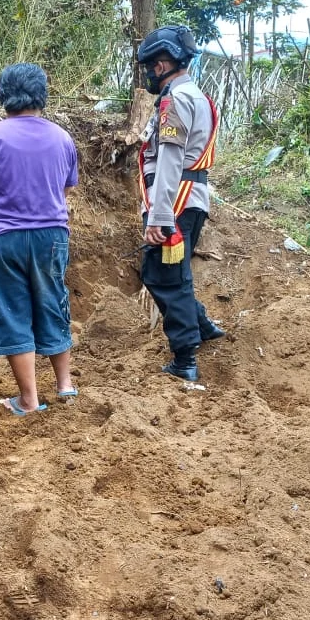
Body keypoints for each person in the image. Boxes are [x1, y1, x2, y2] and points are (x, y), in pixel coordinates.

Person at [0, 63, 79, 415]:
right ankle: (65, 385)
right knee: (52, 302)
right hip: (51, 235)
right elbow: (68, 186)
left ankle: (28, 400)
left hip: (4, 237)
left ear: (4, 95)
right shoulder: (62, 137)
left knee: (13, 311)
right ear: (41, 94)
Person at [136, 25, 225, 382]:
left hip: (175, 201)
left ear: (161, 65)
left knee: (162, 275)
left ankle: (185, 358)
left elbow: (171, 158)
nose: (148, 74)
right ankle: (202, 324)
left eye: (149, 67)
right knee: (176, 273)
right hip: (192, 199)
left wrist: (160, 216)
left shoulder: (175, 100)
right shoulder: (198, 96)